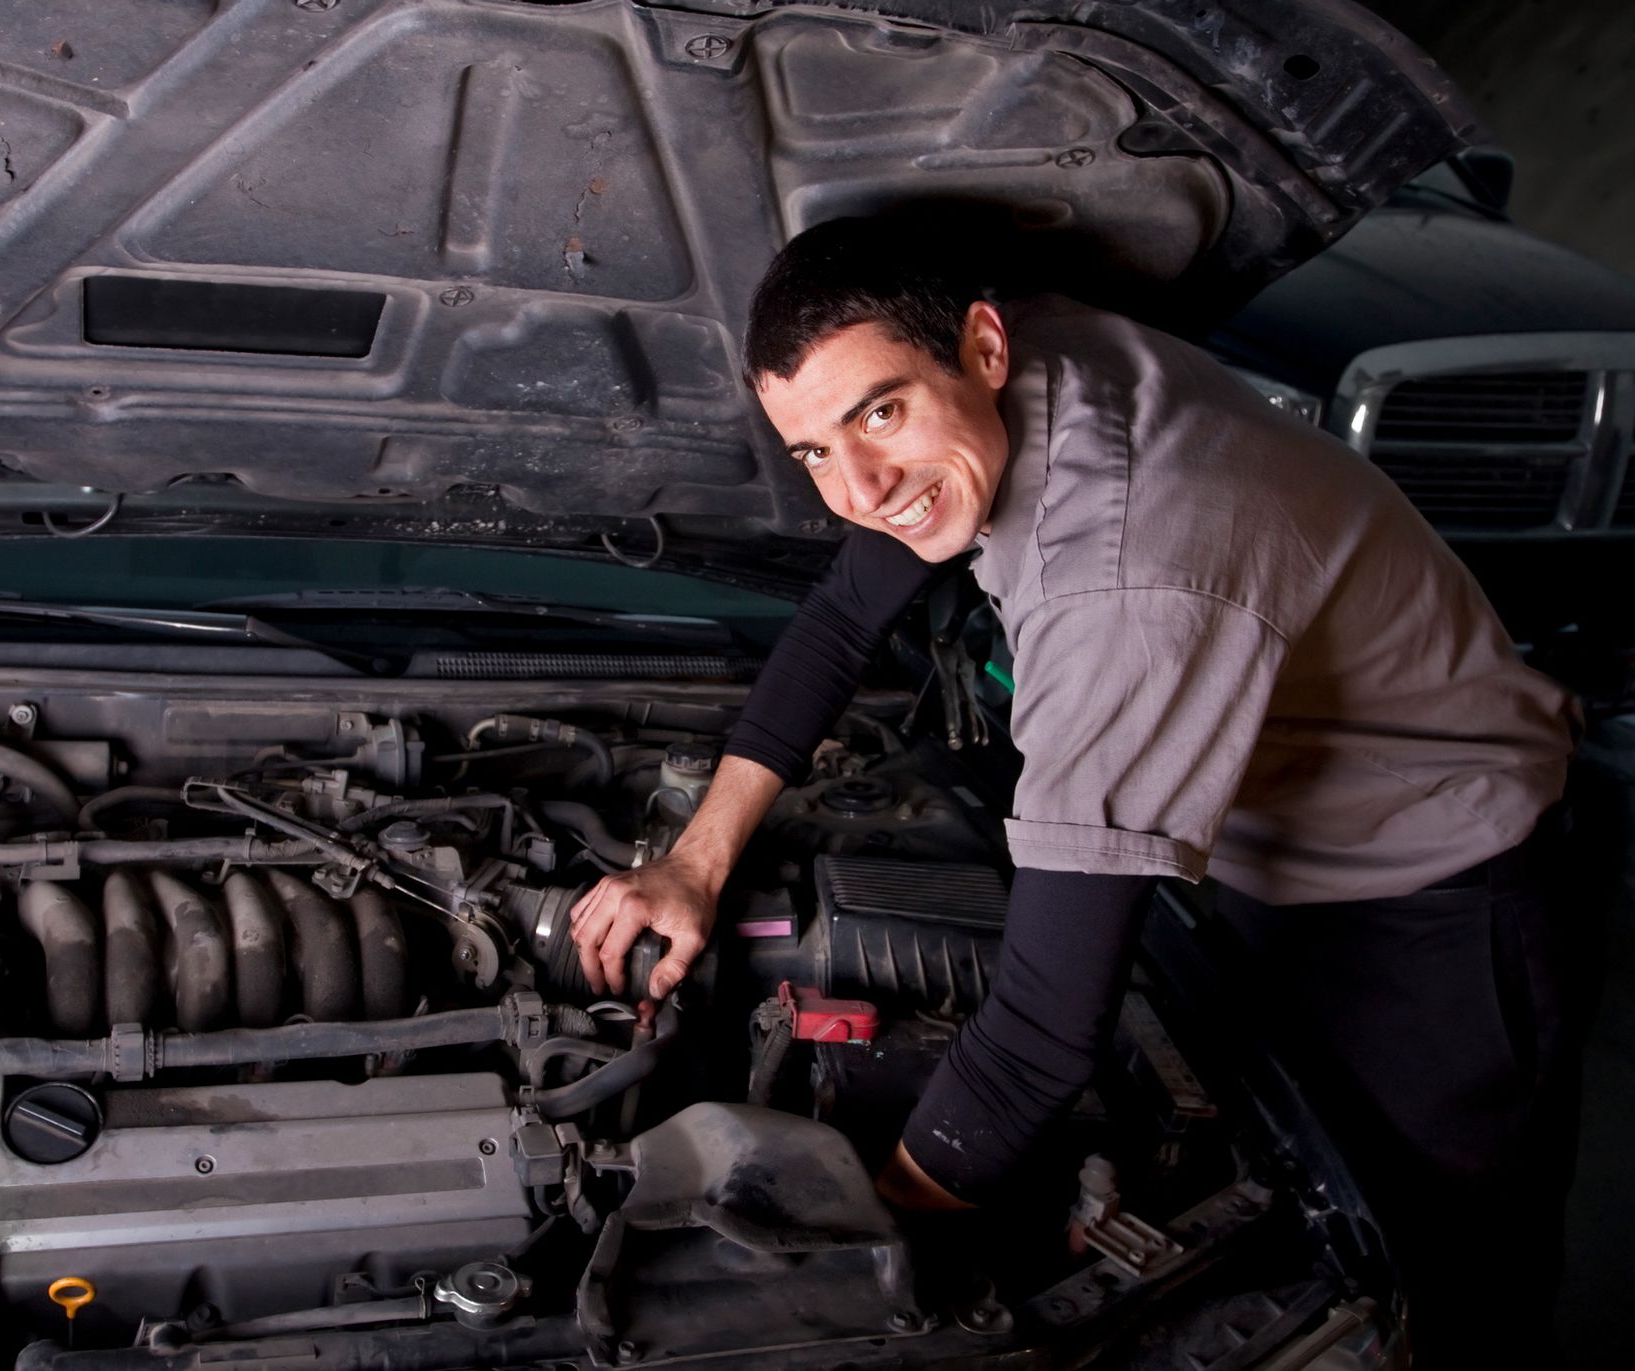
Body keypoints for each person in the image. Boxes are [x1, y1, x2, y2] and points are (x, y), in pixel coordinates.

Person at [566, 216, 1585, 1361]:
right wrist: (696, 863)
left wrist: (839, 1273)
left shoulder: (1122, 584)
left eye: (880, 413)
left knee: (1442, 1263)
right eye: (813, 452)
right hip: (1263, 837)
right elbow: (847, 614)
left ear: (985, 349)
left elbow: (1042, 1040)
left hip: (1435, 888)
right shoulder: (984, 386)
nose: (856, 488)